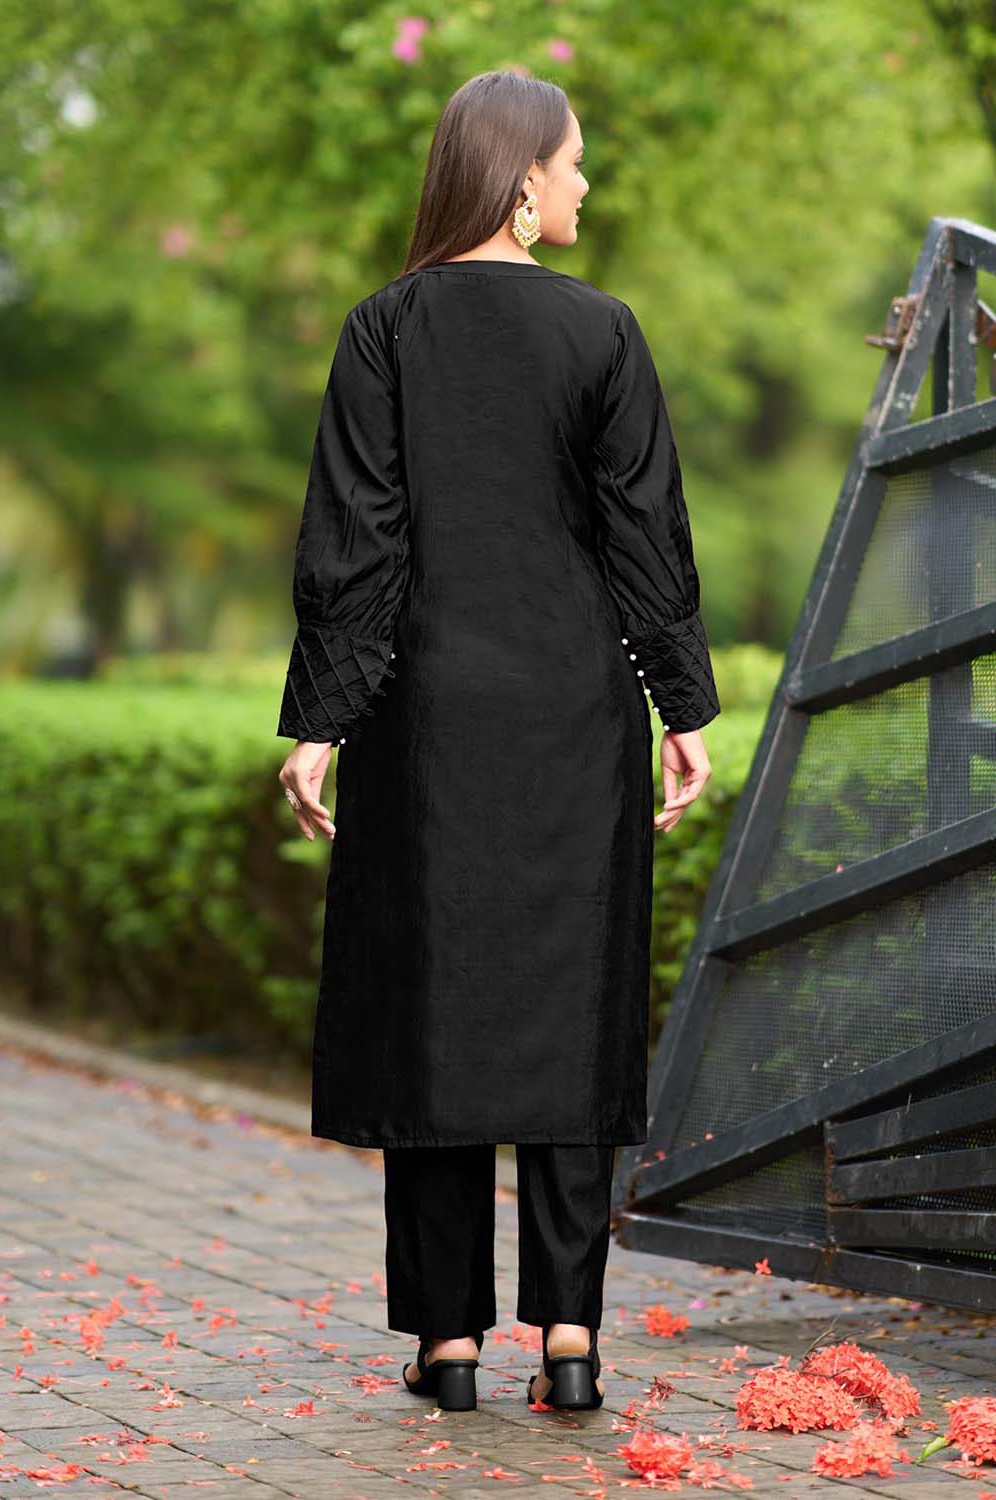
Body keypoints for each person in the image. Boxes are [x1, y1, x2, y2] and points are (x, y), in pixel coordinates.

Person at [276, 69, 720, 1413]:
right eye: (575, 163)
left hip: (425, 717)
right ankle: (572, 1343)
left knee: (434, 1011)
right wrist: (682, 705)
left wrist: (320, 723)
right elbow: (646, 534)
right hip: (575, 709)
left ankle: (448, 1345)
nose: (587, 184)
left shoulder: (383, 328)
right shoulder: (604, 331)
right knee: (574, 1010)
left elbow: (357, 542)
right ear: (524, 178)